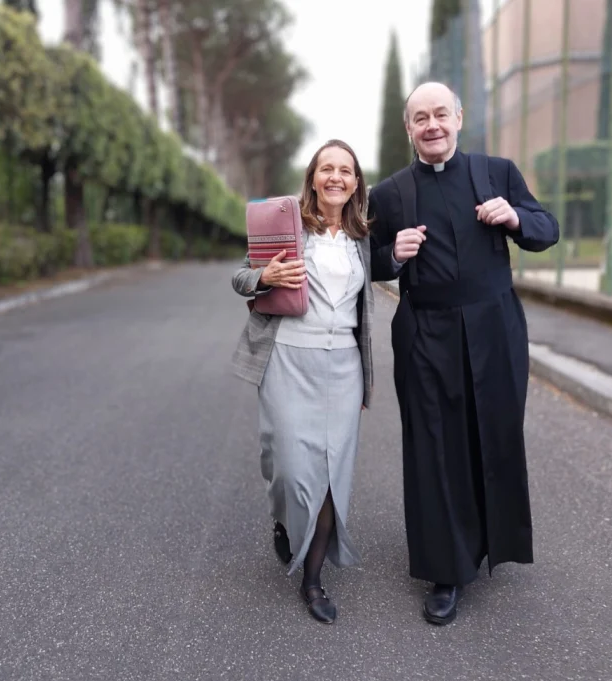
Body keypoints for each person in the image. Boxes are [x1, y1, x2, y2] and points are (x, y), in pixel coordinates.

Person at [367, 82, 560, 626]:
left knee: (493, 432)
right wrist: (393, 255)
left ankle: (492, 542)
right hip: (424, 329)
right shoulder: (388, 193)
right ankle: (446, 571)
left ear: (459, 118)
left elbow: (548, 229)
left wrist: (516, 218)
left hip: (495, 325)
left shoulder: (497, 172)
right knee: (434, 444)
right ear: (409, 128)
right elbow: (366, 262)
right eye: (420, 117)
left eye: (441, 115)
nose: (432, 125)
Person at [231, 139, 375, 624]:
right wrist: (264, 276)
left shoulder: (364, 237)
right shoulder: (289, 226)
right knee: (290, 468)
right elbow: (240, 278)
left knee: (333, 476)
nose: (336, 177)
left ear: (356, 183)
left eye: (346, 171)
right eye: (326, 168)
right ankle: (284, 517)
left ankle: (313, 580)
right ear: (313, 177)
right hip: (290, 358)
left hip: (344, 366)